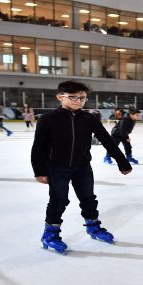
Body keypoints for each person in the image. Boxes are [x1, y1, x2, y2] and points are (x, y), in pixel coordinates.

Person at [31, 81, 132, 254]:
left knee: (88, 198)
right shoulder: (48, 119)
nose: (78, 100)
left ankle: (93, 227)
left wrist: (122, 161)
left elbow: (107, 140)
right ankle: (50, 234)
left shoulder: (89, 118)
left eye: (82, 97)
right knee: (58, 200)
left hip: (82, 167)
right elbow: (38, 146)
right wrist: (39, 171)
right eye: (73, 97)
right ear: (60, 97)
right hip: (56, 167)